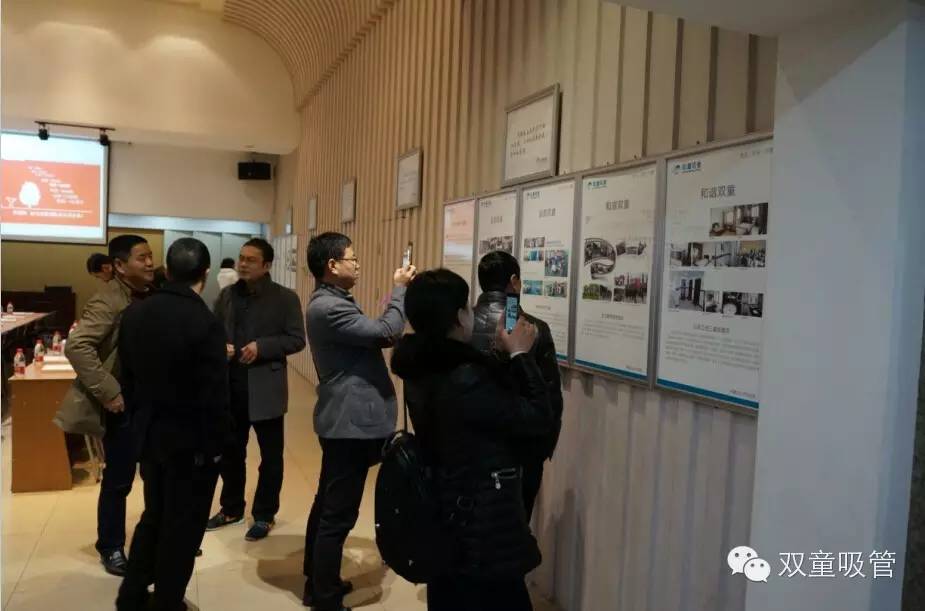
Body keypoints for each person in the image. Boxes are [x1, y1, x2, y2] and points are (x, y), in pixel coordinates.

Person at [390, 269, 552, 611]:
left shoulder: (422, 366)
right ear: (456, 317)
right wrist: (521, 355)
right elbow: (538, 418)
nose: (471, 314)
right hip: (482, 525)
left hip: (444, 512)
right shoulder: (465, 379)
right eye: (465, 307)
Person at [115, 238, 231, 611]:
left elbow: (127, 378)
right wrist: (218, 449)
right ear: (205, 273)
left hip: (149, 435)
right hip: (192, 444)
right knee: (183, 526)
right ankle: (167, 601)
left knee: (154, 515)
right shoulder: (205, 322)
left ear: (167, 267)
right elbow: (214, 396)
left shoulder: (136, 313)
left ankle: (131, 595)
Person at [302, 232, 415, 611]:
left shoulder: (333, 301)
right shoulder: (328, 308)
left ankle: (318, 581)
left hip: (345, 421)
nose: (358, 264)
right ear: (332, 265)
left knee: (327, 502)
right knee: (338, 513)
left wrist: (393, 296)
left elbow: (376, 325)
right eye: (352, 258)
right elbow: (386, 332)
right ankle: (324, 597)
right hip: (348, 424)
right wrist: (399, 290)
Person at [66, 235, 155, 575]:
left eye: (150, 256)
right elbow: (77, 346)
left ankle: (155, 537)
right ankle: (111, 546)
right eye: (141, 258)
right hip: (124, 403)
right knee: (119, 479)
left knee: (156, 474)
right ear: (119, 265)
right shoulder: (107, 300)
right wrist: (109, 391)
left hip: (154, 401)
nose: (149, 263)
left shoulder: (153, 293)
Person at [207, 238, 306, 541]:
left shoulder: (285, 298)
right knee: (230, 453)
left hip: (266, 388)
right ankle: (231, 508)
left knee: (271, 457)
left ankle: (264, 514)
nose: (243, 264)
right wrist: (218, 347)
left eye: (251, 260)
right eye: (241, 258)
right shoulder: (227, 296)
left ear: (266, 265)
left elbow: (296, 339)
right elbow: (211, 332)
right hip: (231, 387)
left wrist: (263, 347)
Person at [470, 251, 563, 520]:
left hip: (471, 446)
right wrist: (541, 451)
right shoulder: (533, 328)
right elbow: (550, 398)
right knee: (515, 525)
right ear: (514, 281)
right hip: (521, 452)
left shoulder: (463, 324)